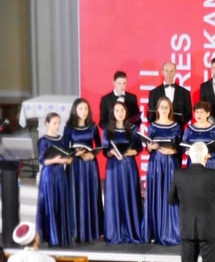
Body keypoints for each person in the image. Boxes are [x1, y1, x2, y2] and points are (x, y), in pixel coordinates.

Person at [102, 102, 145, 244]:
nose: (120, 113)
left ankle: (131, 231)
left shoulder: (132, 129)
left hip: (128, 167)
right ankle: (114, 232)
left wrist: (131, 152)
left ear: (126, 112)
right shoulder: (108, 130)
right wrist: (111, 152)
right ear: (113, 113)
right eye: (117, 110)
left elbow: (139, 148)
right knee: (114, 197)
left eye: (122, 110)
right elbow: (105, 150)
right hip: (113, 168)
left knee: (130, 195)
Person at [64, 98, 104, 243]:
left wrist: (92, 154)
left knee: (90, 194)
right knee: (75, 194)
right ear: (75, 110)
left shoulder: (92, 127)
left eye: (86, 109)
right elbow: (64, 147)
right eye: (81, 109)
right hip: (75, 165)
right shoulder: (69, 127)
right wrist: (75, 153)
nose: (84, 111)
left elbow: (99, 145)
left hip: (89, 164)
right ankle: (76, 231)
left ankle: (92, 230)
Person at [144, 96, 182, 245]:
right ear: (157, 109)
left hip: (171, 163)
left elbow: (180, 146)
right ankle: (155, 230)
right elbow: (148, 147)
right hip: (157, 163)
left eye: (167, 107)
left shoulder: (176, 126)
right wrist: (150, 147)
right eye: (162, 107)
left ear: (170, 109)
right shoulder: (152, 126)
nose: (164, 109)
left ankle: (171, 231)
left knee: (171, 194)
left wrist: (173, 150)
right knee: (157, 193)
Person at [36, 112, 74, 246]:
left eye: (59, 123)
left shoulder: (62, 139)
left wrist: (69, 159)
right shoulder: (43, 141)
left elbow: (68, 156)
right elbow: (42, 160)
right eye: (54, 123)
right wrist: (56, 160)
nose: (57, 126)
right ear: (47, 123)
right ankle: (52, 237)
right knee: (50, 204)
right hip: (49, 175)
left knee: (61, 203)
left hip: (60, 174)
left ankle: (62, 236)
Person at [181, 101, 215, 171]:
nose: (199, 115)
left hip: (210, 162)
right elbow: (183, 146)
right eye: (197, 112)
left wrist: (210, 155)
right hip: (194, 163)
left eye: (202, 112)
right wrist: (186, 152)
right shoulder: (189, 128)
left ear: (208, 113)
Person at [148, 61, 192, 126]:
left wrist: (179, 125)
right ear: (162, 72)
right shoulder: (154, 93)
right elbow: (151, 114)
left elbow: (188, 114)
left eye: (171, 71)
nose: (169, 73)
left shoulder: (185, 93)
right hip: (159, 129)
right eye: (166, 71)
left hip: (178, 129)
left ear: (175, 72)